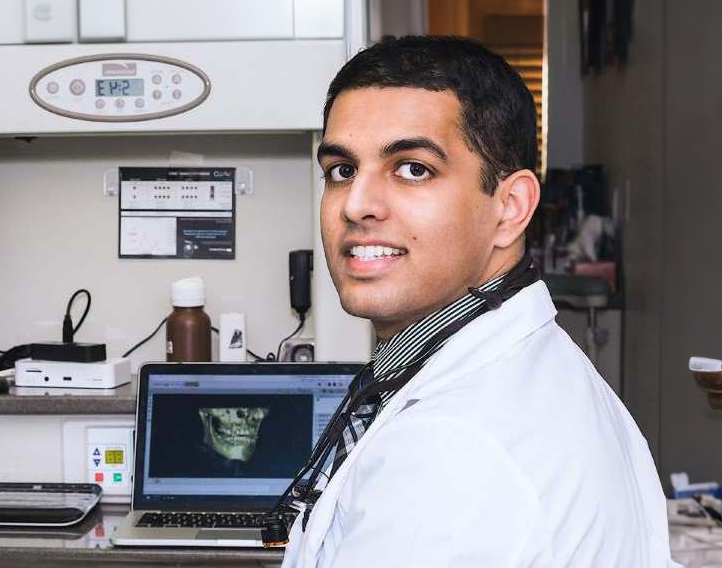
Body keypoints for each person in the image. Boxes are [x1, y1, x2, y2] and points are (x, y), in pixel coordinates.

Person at [281, 36, 678, 567]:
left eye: (413, 168)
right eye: (342, 170)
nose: (356, 205)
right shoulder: (523, 372)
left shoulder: (453, 451)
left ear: (510, 207)